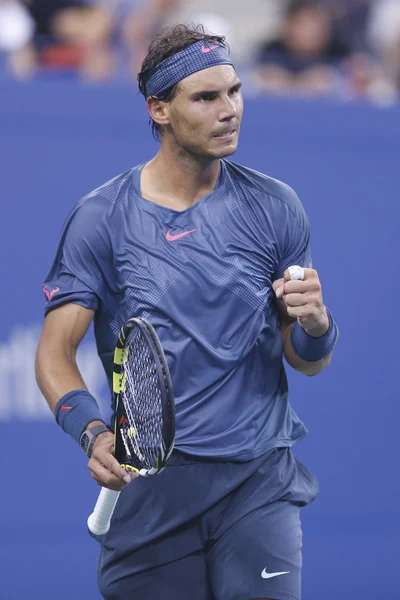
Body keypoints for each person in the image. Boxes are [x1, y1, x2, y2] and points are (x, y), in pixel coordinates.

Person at [35, 23, 339, 600]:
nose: (230, 111)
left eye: (234, 91)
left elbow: (306, 361)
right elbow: (53, 354)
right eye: (205, 97)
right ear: (160, 109)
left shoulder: (276, 207)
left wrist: (317, 326)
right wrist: (93, 433)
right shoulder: (102, 219)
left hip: (259, 481)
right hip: (154, 493)